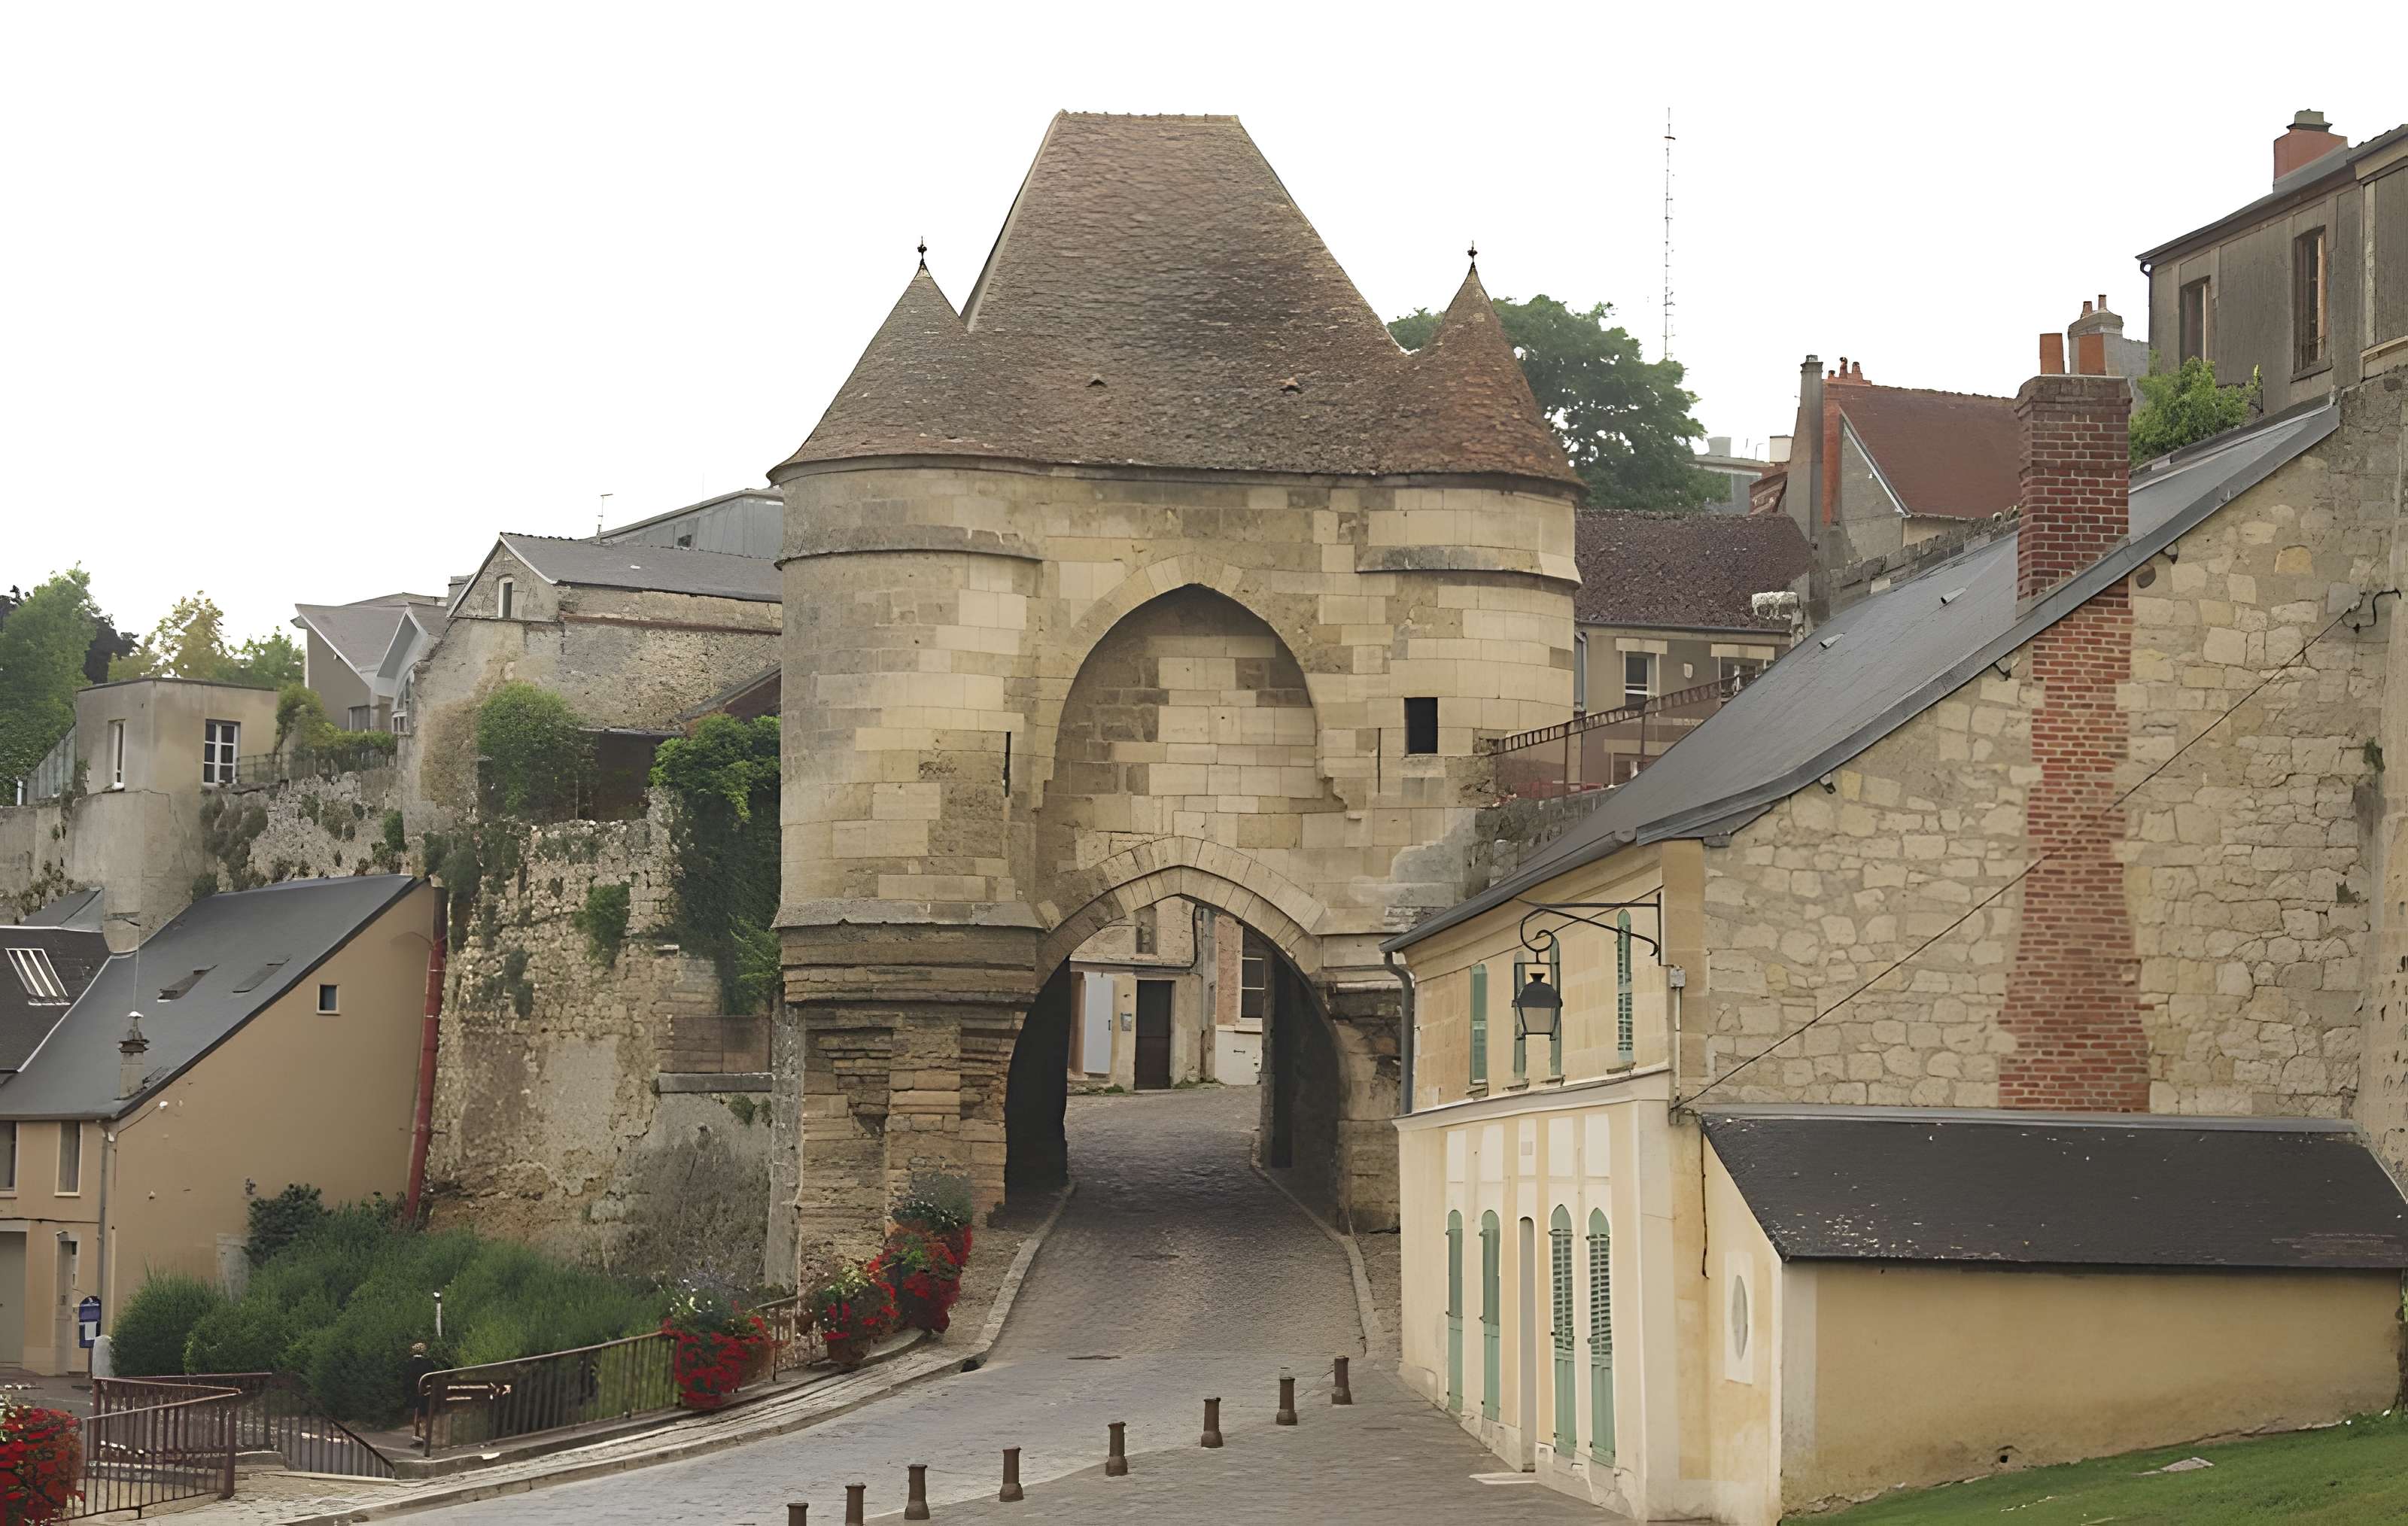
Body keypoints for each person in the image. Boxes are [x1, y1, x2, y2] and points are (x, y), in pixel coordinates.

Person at [403, 1342, 439, 1441]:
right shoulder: (429, 1363)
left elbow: (406, 1379)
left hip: (414, 1392)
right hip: (426, 1391)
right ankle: (425, 1434)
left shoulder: (409, 1364)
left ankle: (417, 1432)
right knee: (425, 1412)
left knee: (417, 1410)